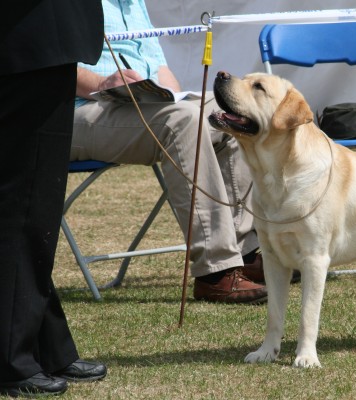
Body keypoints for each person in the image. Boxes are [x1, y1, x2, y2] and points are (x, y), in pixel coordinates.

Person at [72, 0, 268, 304]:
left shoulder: (134, 3)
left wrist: (169, 94)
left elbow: (159, 67)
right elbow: (47, 64)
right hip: (80, 112)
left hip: (140, 105)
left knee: (231, 111)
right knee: (185, 121)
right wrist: (102, 81)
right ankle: (215, 272)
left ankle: (243, 251)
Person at [0, 1, 108, 397]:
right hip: (27, 42)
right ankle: (13, 358)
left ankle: (46, 344)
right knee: (27, 202)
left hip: (32, 43)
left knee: (32, 203)